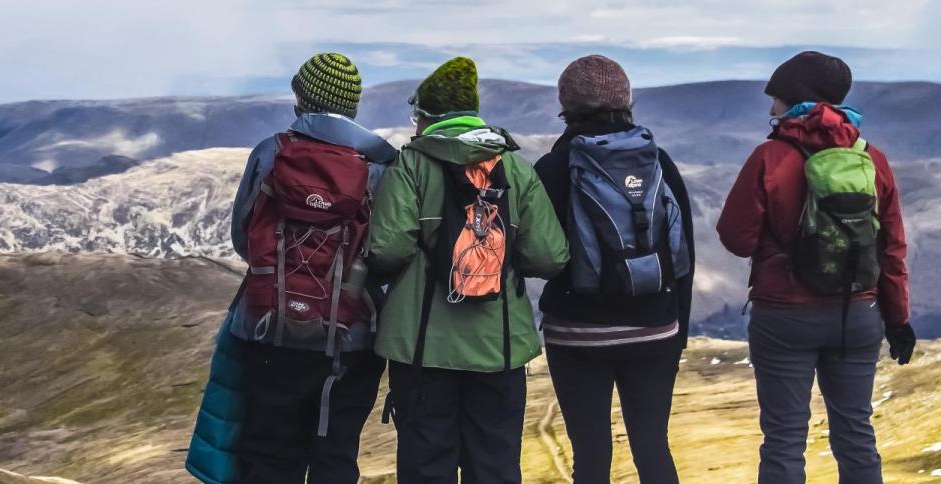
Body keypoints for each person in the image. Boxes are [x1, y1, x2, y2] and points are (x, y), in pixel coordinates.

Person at [187, 52, 398, 484]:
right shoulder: (380, 166)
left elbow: (244, 239)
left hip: (269, 329)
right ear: (351, 106)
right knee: (335, 455)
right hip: (350, 337)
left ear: (301, 99)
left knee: (267, 454)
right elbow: (387, 252)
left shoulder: (271, 153)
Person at [368, 56, 568, 484]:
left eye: (415, 116)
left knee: (426, 466)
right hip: (499, 348)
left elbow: (386, 249)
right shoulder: (514, 168)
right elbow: (550, 257)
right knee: (494, 466)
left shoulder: (410, 166)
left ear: (428, 117)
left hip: (421, 349)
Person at [717, 50, 914, 484]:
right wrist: (898, 320)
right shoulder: (873, 158)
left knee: (785, 440)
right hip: (857, 314)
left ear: (797, 101)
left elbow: (736, 238)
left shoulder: (769, 157)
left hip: (784, 316)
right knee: (857, 436)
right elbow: (892, 248)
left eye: (778, 99)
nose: (772, 108)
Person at [533, 55, 695, 484]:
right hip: (655, 330)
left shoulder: (552, 169)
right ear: (626, 101)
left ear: (566, 104)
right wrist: (678, 329)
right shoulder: (659, 162)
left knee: (590, 454)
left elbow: (532, 253)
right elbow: (684, 255)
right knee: (652, 447)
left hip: (578, 333)